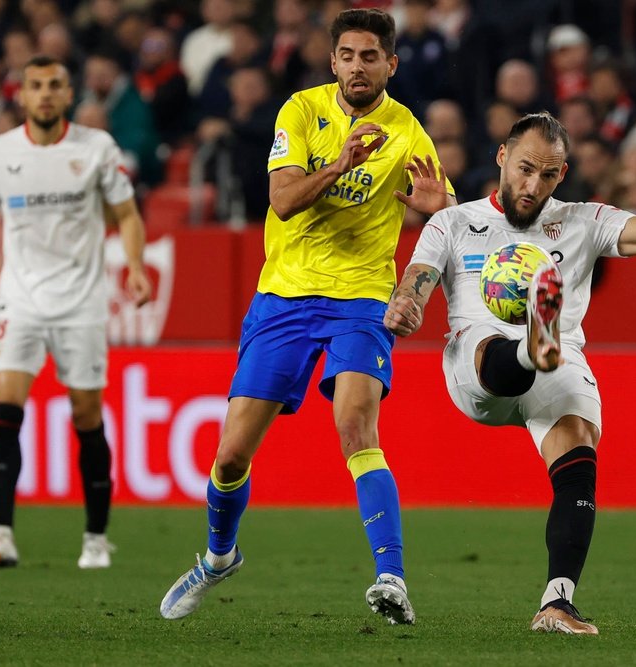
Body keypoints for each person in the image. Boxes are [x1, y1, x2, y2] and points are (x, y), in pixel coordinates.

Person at [159, 8, 455, 625]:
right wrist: (341, 164)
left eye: (369, 56)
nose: (356, 66)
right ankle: (218, 559)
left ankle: (392, 577)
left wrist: (438, 209)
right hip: (286, 296)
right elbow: (284, 200)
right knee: (232, 457)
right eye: (346, 55)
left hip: (362, 298)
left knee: (356, 427)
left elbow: (452, 220)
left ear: (391, 65)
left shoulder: (408, 134)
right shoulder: (300, 110)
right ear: (332, 62)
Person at [385, 112, 636, 634]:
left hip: (559, 357)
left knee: (579, 453)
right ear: (502, 158)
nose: (532, 186)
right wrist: (407, 305)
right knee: (491, 344)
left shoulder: (583, 220)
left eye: (548, 175)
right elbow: (417, 276)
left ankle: (557, 602)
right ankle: (533, 347)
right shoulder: (453, 222)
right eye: (525, 168)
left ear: (563, 174)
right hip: (478, 365)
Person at [0, 55, 152, 570]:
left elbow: (127, 214)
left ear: (68, 95)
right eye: (35, 85)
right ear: (21, 95)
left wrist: (135, 265)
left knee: (86, 414)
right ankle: (1, 534)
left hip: (80, 302)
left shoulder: (95, 148)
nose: (44, 94)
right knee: (7, 407)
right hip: (20, 301)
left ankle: (96, 538)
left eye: (54, 86)